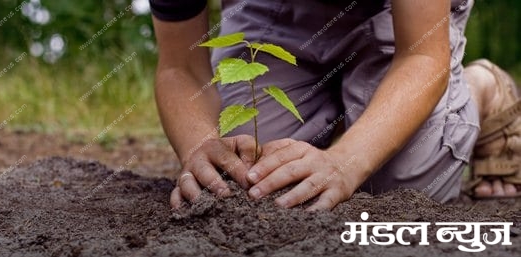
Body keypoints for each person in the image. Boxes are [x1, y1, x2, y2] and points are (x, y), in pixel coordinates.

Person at [149, 0, 521, 210]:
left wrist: (347, 162)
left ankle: (481, 88)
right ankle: (350, 111)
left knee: (400, 191)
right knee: (250, 174)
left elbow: (421, 55)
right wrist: (199, 144)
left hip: (400, 14)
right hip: (270, 10)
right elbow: (180, 66)